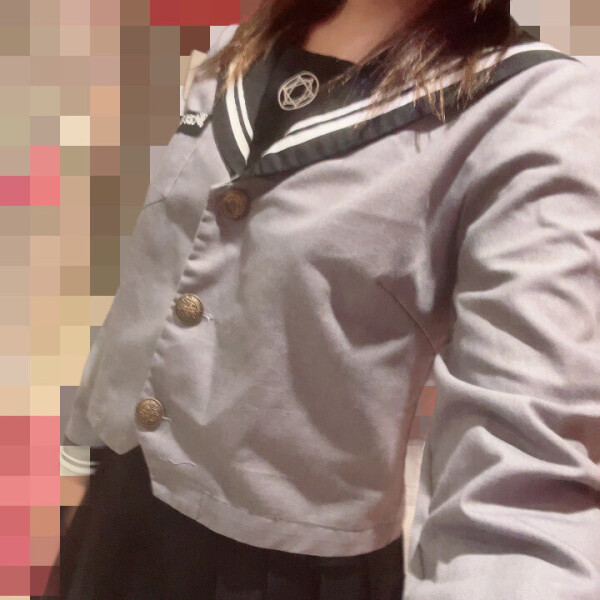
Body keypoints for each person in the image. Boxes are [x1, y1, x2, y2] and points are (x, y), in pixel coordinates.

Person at [49, 0, 600, 598]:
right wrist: (79, 459)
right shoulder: (245, 43)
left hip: (284, 570)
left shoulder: (535, 106)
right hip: (118, 512)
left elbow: (525, 474)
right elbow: (152, 279)